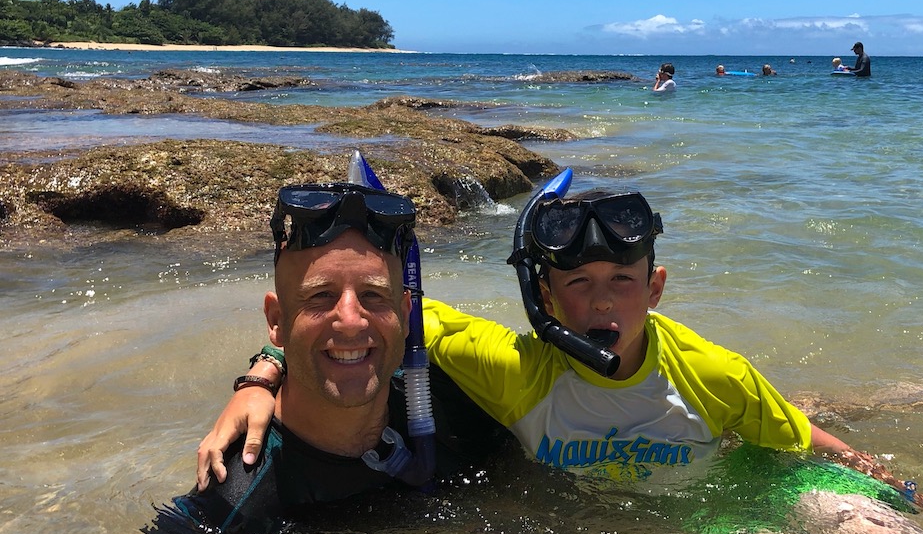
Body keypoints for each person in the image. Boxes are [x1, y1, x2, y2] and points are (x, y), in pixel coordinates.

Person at [201, 186, 864, 491]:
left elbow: (810, 444)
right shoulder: (513, 368)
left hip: (719, 474)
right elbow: (367, 321)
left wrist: (914, 497)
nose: (600, 301)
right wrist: (263, 376)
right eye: (576, 283)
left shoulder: (714, 373)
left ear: (656, 289)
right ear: (542, 296)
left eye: (622, 282)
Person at [158, 182, 500, 534]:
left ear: (404, 313)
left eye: (373, 295)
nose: (351, 321)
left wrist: (262, 374)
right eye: (321, 296)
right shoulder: (234, 499)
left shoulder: (456, 403)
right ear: (276, 321)